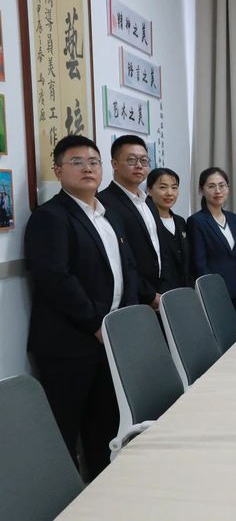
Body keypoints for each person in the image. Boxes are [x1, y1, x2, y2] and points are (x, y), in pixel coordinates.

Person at [25, 135, 138, 481]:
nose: (87, 168)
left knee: (104, 426)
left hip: (109, 338)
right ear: (58, 171)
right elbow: (56, 278)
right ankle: (66, 500)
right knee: (64, 430)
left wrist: (123, 322)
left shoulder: (108, 215)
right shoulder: (50, 217)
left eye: (93, 162)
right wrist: (95, 324)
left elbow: (128, 268)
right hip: (70, 345)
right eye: (77, 162)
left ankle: (104, 489)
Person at [98, 135, 161, 310]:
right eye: (131, 160)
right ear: (114, 164)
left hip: (158, 293)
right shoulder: (104, 203)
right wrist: (149, 294)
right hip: (131, 298)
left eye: (144, 160)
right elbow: (121, 258)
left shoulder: (149, 203)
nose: (139, 165)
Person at [186, 167, 236, 312]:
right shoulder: (196, 221)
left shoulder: (233, 218)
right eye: (211, 186)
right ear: (201, 190)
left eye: (222, 185)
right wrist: (212, 291)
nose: (218, 191)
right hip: (213, 294)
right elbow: (200, 263)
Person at [146, 168, 192, 293]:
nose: (169, 193)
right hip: (158, 294)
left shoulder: (180, 222)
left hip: (183, 292)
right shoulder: (146, 222)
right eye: (163, 187)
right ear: (149, 190)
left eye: (174, 188)